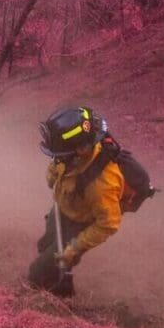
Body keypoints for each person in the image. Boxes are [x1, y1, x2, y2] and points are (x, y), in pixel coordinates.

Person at [27, 106, 124, 297]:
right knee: (45, 246)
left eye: (60, 155)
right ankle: (58, 277)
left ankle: (52, 294)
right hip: (64, 207)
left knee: (38, 272)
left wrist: (75, 247)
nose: (57, 159)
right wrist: (53, 173)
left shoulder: (102, 184)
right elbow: (58, 164)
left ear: (82, 149)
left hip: (79, 223)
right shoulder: (72, 156)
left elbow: (108, 224)